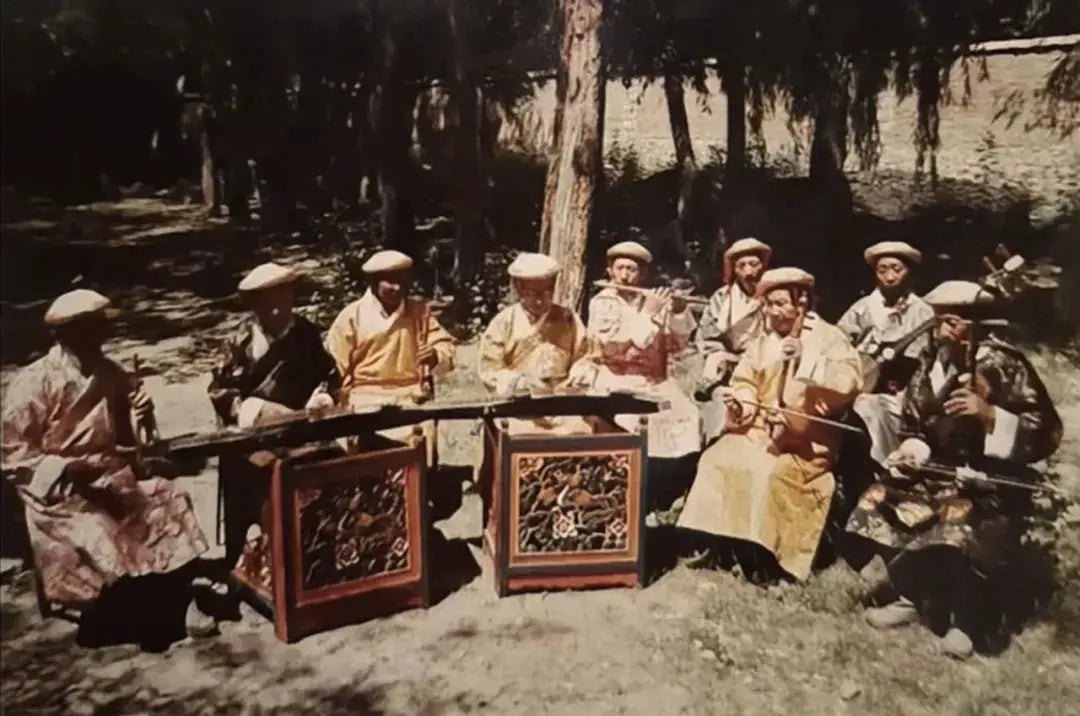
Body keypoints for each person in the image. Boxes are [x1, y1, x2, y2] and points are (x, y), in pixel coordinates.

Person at [845, 280, 1062, 659]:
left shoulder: (1003, 364)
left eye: (956, 320)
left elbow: (1047, 430)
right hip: (938, 469)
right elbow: (913, 423)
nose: (945, 329)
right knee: (879, 495)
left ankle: (967, 619)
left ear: (978, 324)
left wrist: (991, 415)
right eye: (940, 320)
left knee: (962, 520)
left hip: (992, 476)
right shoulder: (931, 362)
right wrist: (913, 451)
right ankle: (911, 593)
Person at [2, 289, 216, 641]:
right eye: (91, 330)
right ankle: (150, 610)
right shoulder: (33, 382)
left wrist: (141, 416)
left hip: (109, 479)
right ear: (66, 334)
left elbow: (132, 444)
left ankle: (177, 592)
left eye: (101, 329)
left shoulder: (109, 373)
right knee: (98, 528)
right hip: (59, 495)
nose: (101, 338)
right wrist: (63, 470)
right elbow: (12, 454)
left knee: (168, 494)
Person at [677, 268, 862, 582]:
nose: (773, 311)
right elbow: (746, 379)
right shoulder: (765, 340)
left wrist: (809, 362)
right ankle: (719, 543)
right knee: (716, 459)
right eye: (769, 304)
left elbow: (851, 381)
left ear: (800, 303)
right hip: (760, 427)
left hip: (808, 437)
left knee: (768, 473)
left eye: (780, 304)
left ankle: (767, 559)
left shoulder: (828, 337)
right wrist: (742, 403)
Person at [207, 262, 341, 576]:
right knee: (270, 473)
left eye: (283, 296)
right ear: (254, 303)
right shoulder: (240, 341)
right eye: (267, 300)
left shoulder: (306, 333)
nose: (277, 307)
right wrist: (254, 410)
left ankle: (322, 552)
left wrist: (321, 397)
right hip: (252, 436)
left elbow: (330, 375)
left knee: (335, 462)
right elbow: (220, 391)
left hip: (301, 428)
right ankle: (267, 560)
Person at [586, 240, 701, 508]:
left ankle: (665, 491)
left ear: (643, 274)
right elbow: (612, 346)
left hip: (654, 382)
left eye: (632, 270)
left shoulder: (652, 299)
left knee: (689, 416)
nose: (625, 275)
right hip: (616, 379)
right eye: (620, 268)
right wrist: (648, 314)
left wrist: (678, 310)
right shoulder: (602, 303)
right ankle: (627, 492)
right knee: (633, 421)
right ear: (610, 271)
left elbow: (677, 344)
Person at [325, 249, 455, 464]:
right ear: (374, 282)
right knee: (362, 438)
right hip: (365, 395)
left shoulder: (420, 312)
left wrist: (434, 356)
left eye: (402, 281)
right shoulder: (351, 316)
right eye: (390, 282)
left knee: (421, 432)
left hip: (410, 393)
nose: (397, 288)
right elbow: (334, 366)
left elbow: (445, 346)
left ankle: (419, 489)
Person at [837, 242, 936, 466]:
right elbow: (838, 340)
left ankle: (883, 466)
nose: (889, 277)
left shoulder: (922, 311)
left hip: (903, 390)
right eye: (882, 270)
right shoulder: (862, 307)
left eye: (896, 269)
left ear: (909, 272)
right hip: (860, 381)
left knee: (870, 407)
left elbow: (921, 358)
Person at [477, 252, 596, 435]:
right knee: (519, 432)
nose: (540, 300)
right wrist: (515, 382)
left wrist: (580, 372)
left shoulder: (568, 318)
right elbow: (489, 368)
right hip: (519, 405)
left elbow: (585, 356)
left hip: (562, 403)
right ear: (519, 289)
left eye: (546, 293)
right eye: (533, 294)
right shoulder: (504, 322)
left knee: (582, 428)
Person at [695, 238, 772, 444]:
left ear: (763, 267)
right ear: (734, 270)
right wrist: (727, 360)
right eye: (741, 266)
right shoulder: (721, 298)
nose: (748, 272)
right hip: (729, 372)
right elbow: (707, 339)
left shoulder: (775, 298)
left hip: (768, 366)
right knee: (722, 407)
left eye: (754, 265)